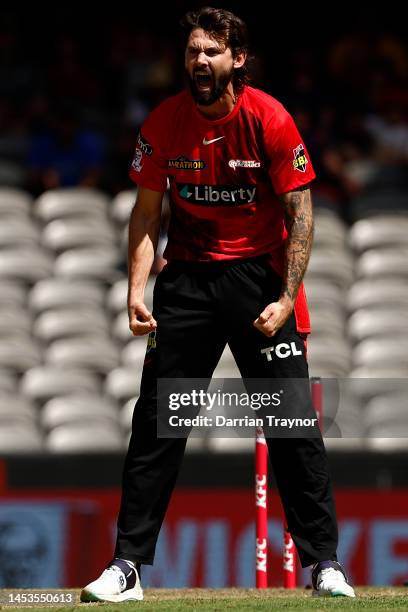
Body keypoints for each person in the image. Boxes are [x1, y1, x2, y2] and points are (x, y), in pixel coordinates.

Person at [81, 7, 355, 602]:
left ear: (237, 60)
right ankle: (126, 566)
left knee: (291, 423)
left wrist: (286, 299)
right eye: (192, 51)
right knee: (159, 420)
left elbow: (301, 215)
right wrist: (135, 290)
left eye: (211, 51)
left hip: (261, 280)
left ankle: (324, 564)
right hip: (189, 280)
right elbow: (146, 212)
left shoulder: (270, 119)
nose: (199, 61)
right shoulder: (163, 122)